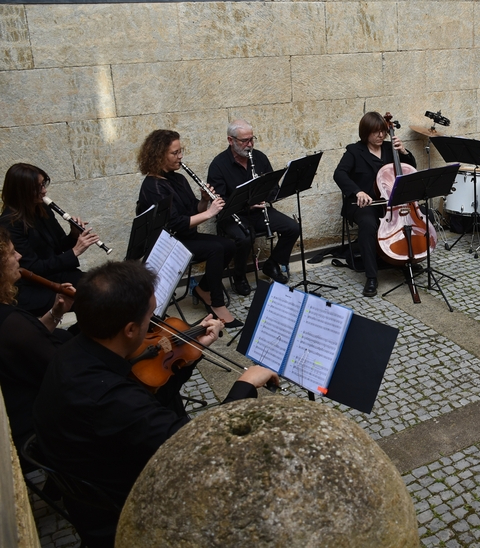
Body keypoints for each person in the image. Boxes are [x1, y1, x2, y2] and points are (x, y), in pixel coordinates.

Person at [32, 261, 278, 548]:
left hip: (98, 466)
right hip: (122, 509)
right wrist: (245, 384)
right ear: (129, 329)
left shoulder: (73, 349)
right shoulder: (110, 399)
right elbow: (200, 446)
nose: (157, 324)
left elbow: (145, 403)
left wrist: (189, 354)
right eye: (151, 315)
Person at [136, 129, 242, 328]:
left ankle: (203, 289)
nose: (180, 156)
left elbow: (193, 209)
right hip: (170, 245)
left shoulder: (177, 179)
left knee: (229, 245)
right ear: (159, 155)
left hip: (186, 237)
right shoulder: (153, 187)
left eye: (180, 151)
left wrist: (204, 202)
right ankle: (217, 304)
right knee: (216, 248)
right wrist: (210, 213)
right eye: (174, 153)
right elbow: (175, 223)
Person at [0, 227, 74, 452]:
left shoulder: (12, 320)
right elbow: (62, 372)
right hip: (38, 424)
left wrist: (56, 312)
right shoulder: (9, 321)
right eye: (12, 254)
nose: (18, 257)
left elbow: (31, 338)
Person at [207, 120, 300, 294]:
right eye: (244, 141)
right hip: (233, 216)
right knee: (244, 237)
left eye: (252, 139)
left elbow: (273, 187)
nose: (249, 144)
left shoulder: (259, 158)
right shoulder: (218, 165)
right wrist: (246, 204)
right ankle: (239, 276)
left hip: (258, 212)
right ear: (230, 140)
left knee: (293, 228)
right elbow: (219, 201)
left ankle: (272, 264)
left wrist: (266, 197)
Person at [333, 112, 416, 297]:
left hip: (391, 203)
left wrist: (404, 152)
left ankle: (406, 259)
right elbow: (339, 174)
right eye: (375, 132)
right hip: (365, 204)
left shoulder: (390, 148)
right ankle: (372, 277)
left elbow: (409, 169)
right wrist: (357, 191)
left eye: (383, 132)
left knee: (421, 215)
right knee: (368, 224)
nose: (380, 136)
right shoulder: (355, 151)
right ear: (366, 133)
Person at [0, 163, 99, 316]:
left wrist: (73, 235)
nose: (44, 191)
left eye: (43, 184)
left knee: (101, 287)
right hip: (32, 285)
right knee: (85, 298)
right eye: (38, 187)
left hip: (55, 274)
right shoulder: (9, 224)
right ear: (22, 192)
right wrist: (74, 252)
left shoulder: (42, 209)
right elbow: (34, 267)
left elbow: (59, 246)